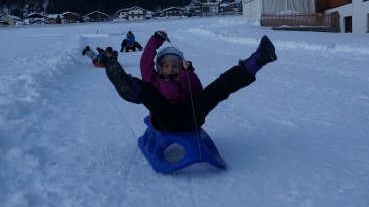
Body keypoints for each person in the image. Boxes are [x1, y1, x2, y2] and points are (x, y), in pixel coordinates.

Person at [103, 30, 276, 132]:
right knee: (150, 93)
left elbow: (197, 93)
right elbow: (145, 62)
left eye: (175, 65)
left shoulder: (185, 76)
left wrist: (187, 72)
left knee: (217, 90)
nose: (170, 68)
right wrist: (156, 39)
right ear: (159, 68)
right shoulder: (154, 80)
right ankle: (130, 88)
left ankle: (258, 59)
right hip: (165, 120)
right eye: (166, 66)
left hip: (192, 117)